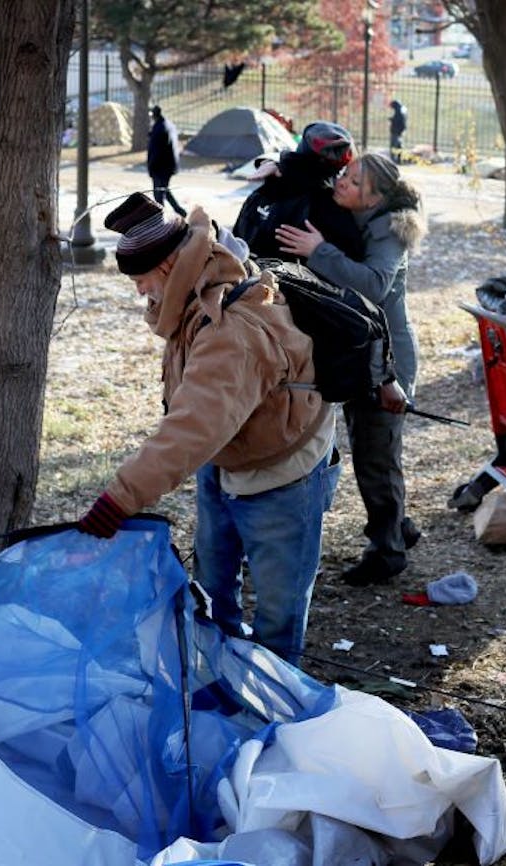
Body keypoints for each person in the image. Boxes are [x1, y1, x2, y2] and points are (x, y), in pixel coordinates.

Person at [78, 193, 341, 664]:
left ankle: (272, 714)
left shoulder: (231, 330)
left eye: (140, 279)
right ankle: (220, 678)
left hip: (283, 475)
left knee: (277, 621)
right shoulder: (193, 291)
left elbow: (192, 426)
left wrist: (119, 499)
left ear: (167, 266)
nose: (140, 292)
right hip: (225, 464)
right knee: (213, 593)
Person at [276, 152, 427, 586]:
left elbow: (376, 286)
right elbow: (313, 164)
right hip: (366, 350)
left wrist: (317, 251)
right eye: (345, 173)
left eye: (354, 181)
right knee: (374, 448)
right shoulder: (359, 213)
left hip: (389, 361)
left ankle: (388, 552)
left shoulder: (391, 232)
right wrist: (277, 166)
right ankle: (399, 526)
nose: (342, 182)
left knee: (375, 455)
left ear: (375, 197)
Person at [232, 121, 366, 263]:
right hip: (283, 282)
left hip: (242, 278)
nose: (343, 182)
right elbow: (358, 273)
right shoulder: (333, 209)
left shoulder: (263, 192)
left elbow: (233, 247)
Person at [146, 106, 186, 217]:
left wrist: (151, 167)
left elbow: (156, 150)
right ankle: (180, 211)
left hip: (160, 166)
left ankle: (160, 218)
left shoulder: (160, 128)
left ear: (154, 115)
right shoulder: (167, 125)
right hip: (169, 165)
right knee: (164, 190)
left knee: (159, 193)